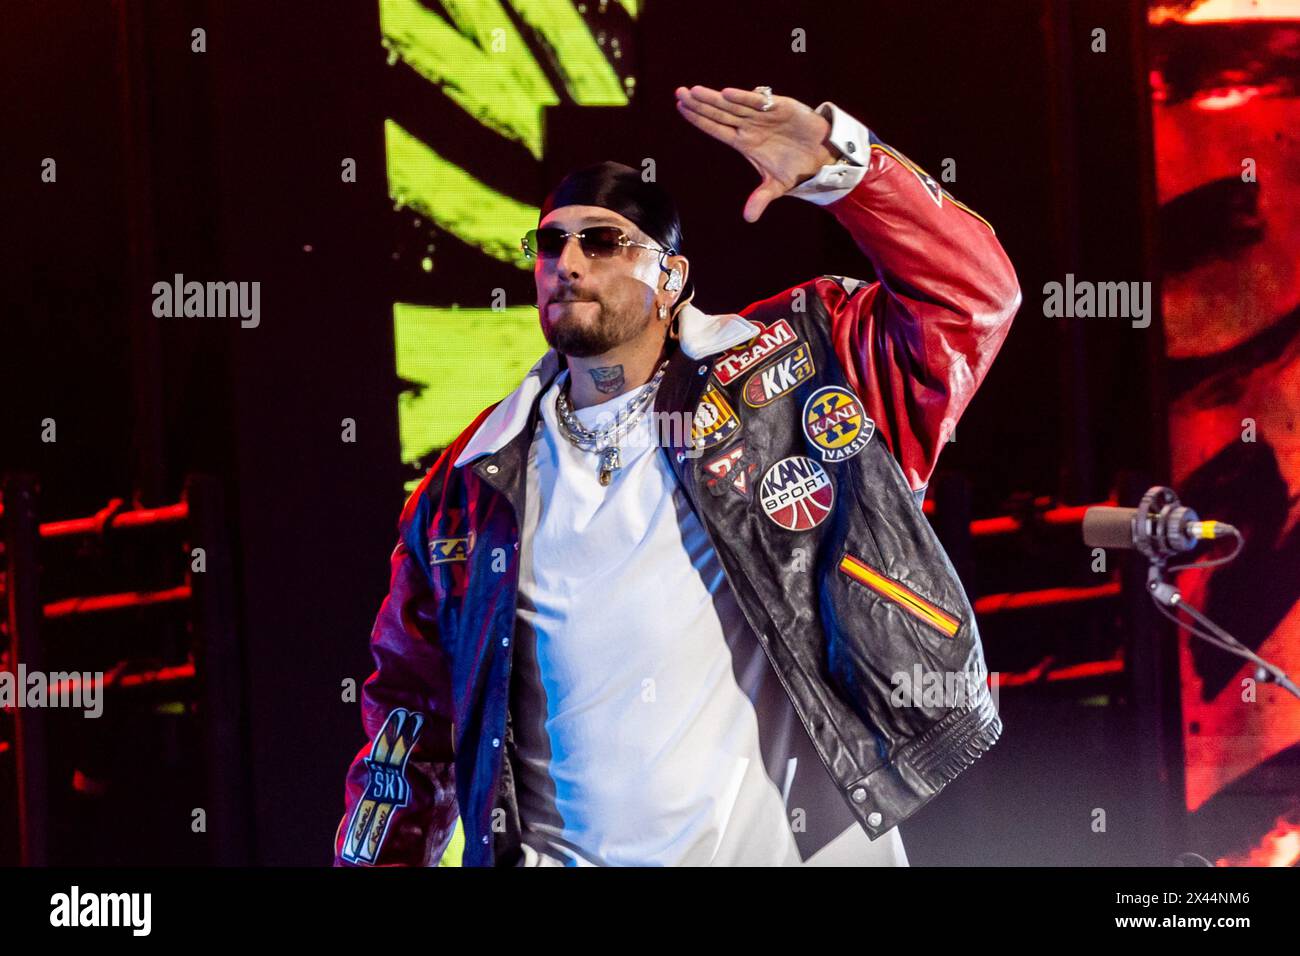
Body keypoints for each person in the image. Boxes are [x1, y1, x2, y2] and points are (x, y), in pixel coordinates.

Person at [335, 84, 1022, 867]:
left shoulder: (799, 374)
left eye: (602, 241)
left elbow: (976, 298)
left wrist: (844, 168)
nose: (566, 262)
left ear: (671, 278)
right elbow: (409, 725)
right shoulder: (468, 486)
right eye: (548, 243)